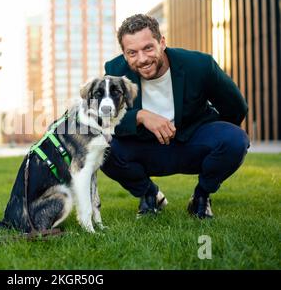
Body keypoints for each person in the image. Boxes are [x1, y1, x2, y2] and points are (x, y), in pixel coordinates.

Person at [101, 14, 250, 219]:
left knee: (235, 139)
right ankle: (149, 194)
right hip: (147, 148)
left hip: (193, 144)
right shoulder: (115, 71)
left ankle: (201, 196)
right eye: (132, 53)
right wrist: (140, 116)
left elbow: (236, 107)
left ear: (162, 42)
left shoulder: (200, 65)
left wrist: (214, 137)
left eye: (148, 48)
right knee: (103, 147)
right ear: (124, 54)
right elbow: (105, 120)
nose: (142, 59)